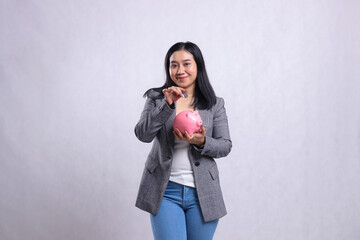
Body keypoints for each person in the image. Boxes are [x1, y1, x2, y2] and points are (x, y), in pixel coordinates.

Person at [134, 41, 232, 240]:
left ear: (198, 66)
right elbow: (143, 135)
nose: (180, 70)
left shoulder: (214, 103)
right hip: (165, 191)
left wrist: (203, 141)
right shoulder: (156, 97)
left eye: (186, 64)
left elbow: (225, 145)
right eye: (174, 65)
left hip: (203, 192)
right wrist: (166, 106)